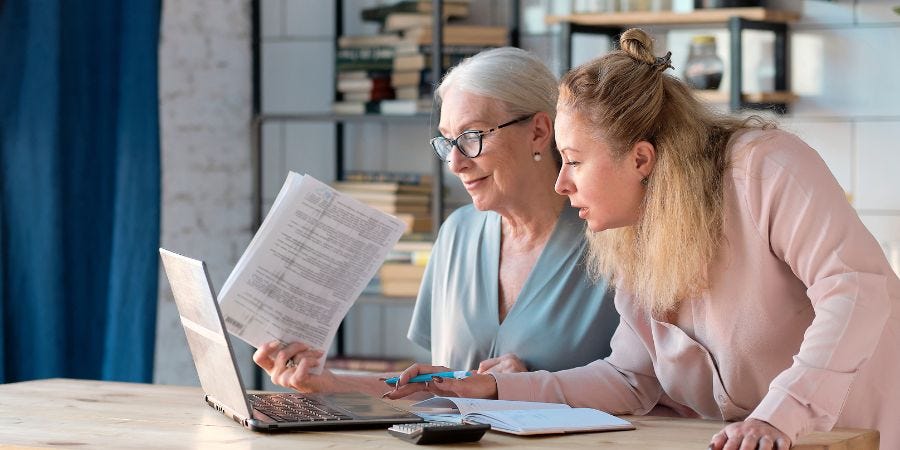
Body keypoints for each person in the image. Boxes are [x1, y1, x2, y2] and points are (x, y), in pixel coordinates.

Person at [384, 29, 900, 449]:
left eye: (576, 162)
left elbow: (856, 289)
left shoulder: (764, 168)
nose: (562, 183)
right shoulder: (633, 233)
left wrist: (778, 417)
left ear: (641, 159)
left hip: (857, 437)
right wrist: (494, 389)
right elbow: (630, 380)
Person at [252, 47, 619, 397]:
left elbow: (644, 392)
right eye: (447, 142)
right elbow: (436, 392)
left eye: (471, 137)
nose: (455, 163)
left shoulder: (612, 239)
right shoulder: (457, 233)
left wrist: (525, 390)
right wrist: (327, 382)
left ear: (539, 131)